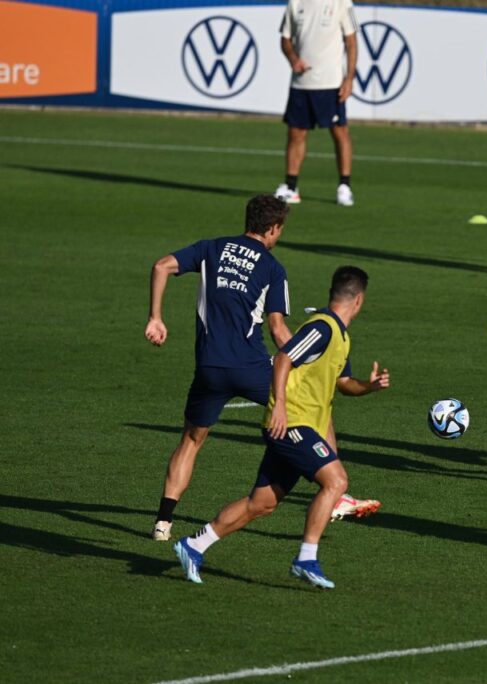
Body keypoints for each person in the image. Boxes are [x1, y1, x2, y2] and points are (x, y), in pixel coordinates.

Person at [173, 266, 390, 588]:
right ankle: (306, 558)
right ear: (358, 300)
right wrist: (279, 408)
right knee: (337, 481)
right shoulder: (322, 328)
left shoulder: (340, 336)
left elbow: (344, 383)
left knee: (261, 504)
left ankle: (194, 545)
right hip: (291, 424)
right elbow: (284, 357)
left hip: (300, 426)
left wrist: (368, 386)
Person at [145, 194, 293, 541]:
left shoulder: (211, 248)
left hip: (209, 368)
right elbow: (277, 330)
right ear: (273, 228)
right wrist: (311, 360)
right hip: (252, 368)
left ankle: (163, 523)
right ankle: (333, 487)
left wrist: (155, 317)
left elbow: (161, 266)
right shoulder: (272, 268)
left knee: (191, 440)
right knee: (309, 406)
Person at [274, 0, 359, 206]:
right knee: (296, 133)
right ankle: (291, 187)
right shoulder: (295, 3)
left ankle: (344, 186)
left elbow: (351, 41)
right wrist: (293, 59)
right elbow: (285, 40)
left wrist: (349, 78)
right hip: (301, 84)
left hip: (331, 83)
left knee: (339, 132)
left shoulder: (341, 2)